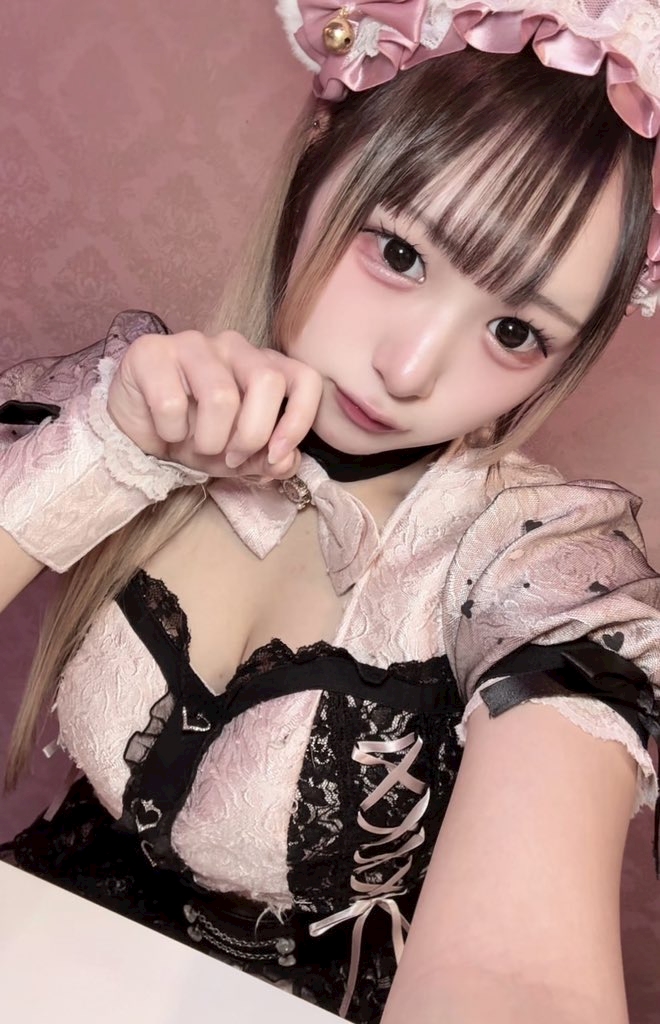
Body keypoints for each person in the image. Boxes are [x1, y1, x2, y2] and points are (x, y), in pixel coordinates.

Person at [1, 2, 660, 1021]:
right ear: (319, 159)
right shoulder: (140, 396)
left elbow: (523, 981)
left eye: (515, 331)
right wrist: (108, 450)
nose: (410, 368)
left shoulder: (543, 561)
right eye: (399, 253)